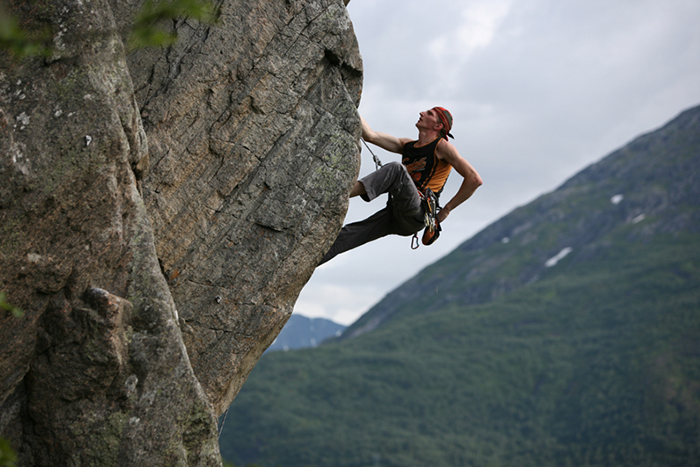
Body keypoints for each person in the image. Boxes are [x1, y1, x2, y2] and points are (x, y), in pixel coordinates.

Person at [318, 107, 482, 265]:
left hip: (418, 212)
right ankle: (299, 264)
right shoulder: (407, 146)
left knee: (396, 170)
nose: (422, 112)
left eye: (429, 113)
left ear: (438, 126)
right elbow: (371, 136)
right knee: (345, 236)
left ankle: (337, 194)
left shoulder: (441, 147)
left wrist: (446, 210)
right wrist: (348, 104)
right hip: (396, 214)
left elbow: (474, 179)